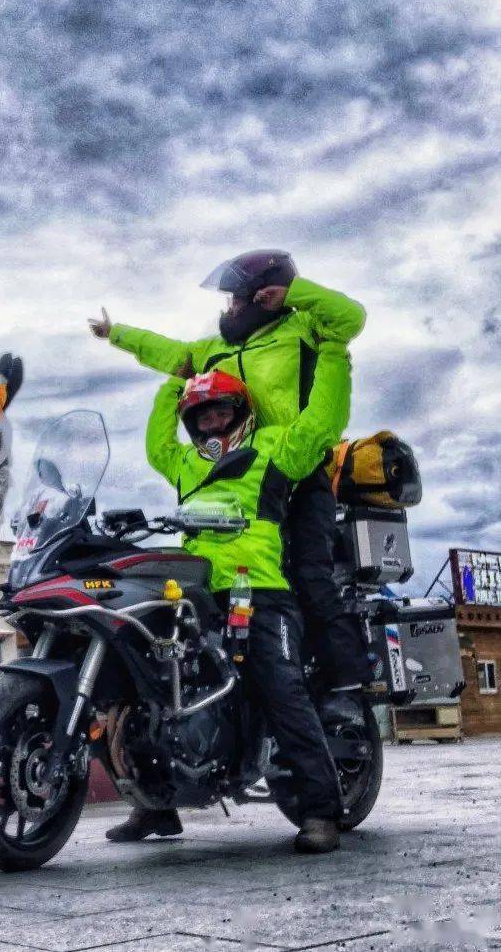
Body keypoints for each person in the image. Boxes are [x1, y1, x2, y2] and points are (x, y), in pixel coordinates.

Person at [88, 252, 371, 714]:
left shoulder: (303, 328)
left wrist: (295, 295)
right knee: (218, 581)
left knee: (308, 573)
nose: (229, 307)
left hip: (295, 467)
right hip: (236, 473)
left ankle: (345, 684)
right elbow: (173, 357)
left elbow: (351, 318)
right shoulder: (214, 349)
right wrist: (117, 333)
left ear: (263, 297)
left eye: (237, 299)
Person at [114, 348, 350, 853]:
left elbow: (321, 423)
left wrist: (334, 356)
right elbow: (157, 443)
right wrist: (175, 382)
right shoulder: (184, 463)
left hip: (259, 588)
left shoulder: (274, 447)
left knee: (280, 687)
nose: (212, 423)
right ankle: (156, 804)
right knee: (149, 687)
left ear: (241, 412)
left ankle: (320, 812)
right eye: (202, 416)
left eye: (221, 411)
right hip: (193, 591)